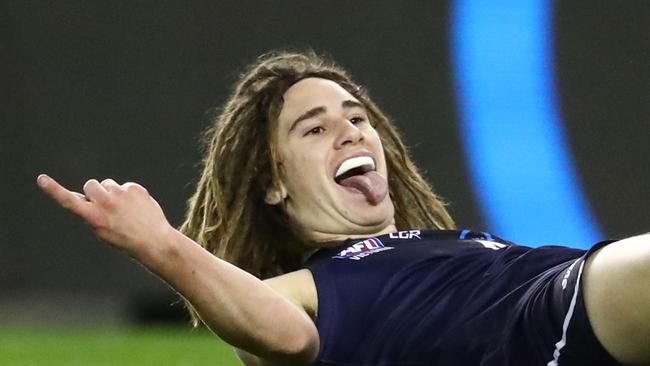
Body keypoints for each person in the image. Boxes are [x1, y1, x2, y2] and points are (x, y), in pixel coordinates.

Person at [37, 51, 649, 366]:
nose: (351, 131)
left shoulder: (444, 242)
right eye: (314, 128)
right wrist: (163, 247)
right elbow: (278, 337)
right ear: (272, 183)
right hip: (551, 324)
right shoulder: (304, 288)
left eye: (356, 117)